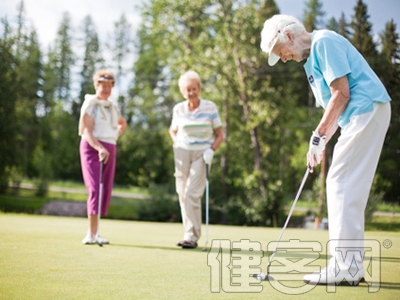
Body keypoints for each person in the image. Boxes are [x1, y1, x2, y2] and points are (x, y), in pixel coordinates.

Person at [260, 15, 391, 285]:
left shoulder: (324, 42)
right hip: (361, 115)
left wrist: (319, 135)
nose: (283, 58)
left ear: (289, 36)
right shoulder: (310, 62)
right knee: (343, 185)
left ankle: (345, 267)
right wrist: (318, 144)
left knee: (340, 183)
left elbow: (341, 93)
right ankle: (350, 267)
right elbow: (335, 108)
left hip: (366, 110)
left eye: (280, 52)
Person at [169, 70, 224, 249]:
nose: (191, 93)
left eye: (194, 89)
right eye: (187, 90)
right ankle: (188, 233)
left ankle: (192, 236)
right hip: (182, 152)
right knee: (182, 194)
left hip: (202, 153)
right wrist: (176, 141)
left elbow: (220, 135)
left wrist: (211, 150)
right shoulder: (178, 109)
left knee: (192, 193)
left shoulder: (210, 107)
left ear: (199, 88)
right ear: (183, 92)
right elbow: (173, 130)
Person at [78, 70, 127, 245]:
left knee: (105, 190)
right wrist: (99, 148)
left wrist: (116, 134)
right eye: (102, 85)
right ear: (96, 85)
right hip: (93, 148)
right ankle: (90, 234)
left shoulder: (113, 106)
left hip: (109, 147)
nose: (106, 89)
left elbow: (122, 123)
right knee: (95, 189)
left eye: (109, 86)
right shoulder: (91, 104)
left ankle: (97, 232)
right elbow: (87, 132)